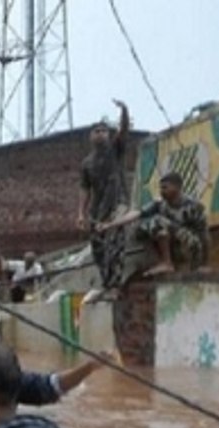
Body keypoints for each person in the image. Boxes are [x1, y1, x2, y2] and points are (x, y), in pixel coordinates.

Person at [98, 172, 209, 277]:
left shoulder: (192, 207)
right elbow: (136, 214)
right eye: (160, 188)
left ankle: (167, 263)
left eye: (165, 187)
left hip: (191, 245)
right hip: (174, 245)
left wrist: (203, 264)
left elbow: (204, 235)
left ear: (177, 187)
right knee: (140, 228)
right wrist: (110, 225)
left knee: (157, 221)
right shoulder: (160, 203)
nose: (161, 191)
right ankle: (162, 262)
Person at [79, 100, 131, 303]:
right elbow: (84, 188)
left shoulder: (115, 150)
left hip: (117, 204)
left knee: (114, 244)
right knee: (98, 248)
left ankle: (115, 286)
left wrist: (124, 111)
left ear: (108, 135)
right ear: (90, 137)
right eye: (96, 131)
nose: (100, 133)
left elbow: (124, 131)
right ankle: (106, 283)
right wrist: (81, 214)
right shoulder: (87, 163)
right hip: (97, 210)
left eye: (103, 130)